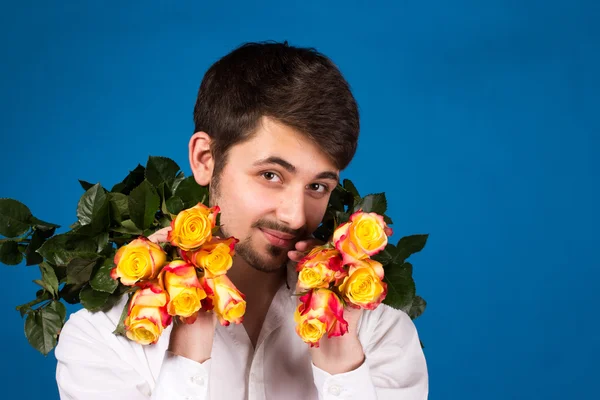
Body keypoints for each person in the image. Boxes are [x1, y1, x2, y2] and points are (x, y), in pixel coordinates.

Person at [55, 41, 428, 400]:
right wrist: (186, 360)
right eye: (271, 175)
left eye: (317, 185)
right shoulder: (103, 336)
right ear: (205, 158)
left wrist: (344, 371)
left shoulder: (379, 332)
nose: (295, 215)